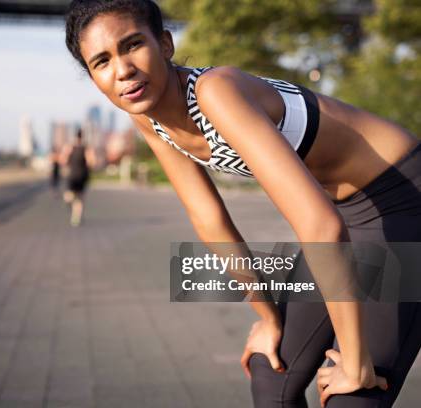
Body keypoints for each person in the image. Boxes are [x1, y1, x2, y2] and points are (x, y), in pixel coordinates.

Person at [64, 0, 421, 407]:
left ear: (164, 44)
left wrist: (356, 362)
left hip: (405, 200)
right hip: (344, 215)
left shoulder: (216, 91)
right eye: (102, 62)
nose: (123, 69)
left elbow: (319, 227)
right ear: (94, 79)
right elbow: (210, 220)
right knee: (271, 372)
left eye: (132, 45)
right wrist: (267, 317)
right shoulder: (148, 116)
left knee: (353, 396)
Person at [60, 129, 95, 226]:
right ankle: (76, 217)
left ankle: (75, 217)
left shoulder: (69, 147)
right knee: (78, 198)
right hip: (82, 174)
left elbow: (63, 160)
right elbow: (91, 162)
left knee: (71, 197)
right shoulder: (86, 148)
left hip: (73, 175)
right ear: (82, 136)